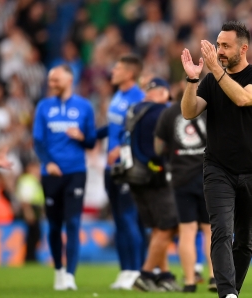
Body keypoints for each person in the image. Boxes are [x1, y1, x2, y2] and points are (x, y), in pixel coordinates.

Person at [180, 21, 252, 298]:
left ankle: (233, 291)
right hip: (218, 168)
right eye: (217, 45)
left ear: (243, 48)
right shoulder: (210, 80)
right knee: (220, 230)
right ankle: (227, 294)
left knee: (244, 242)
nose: (218, 51)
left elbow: (244, 98)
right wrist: (193, 80)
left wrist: (215, 70)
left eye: (225, 46)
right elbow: (189, 111)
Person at [32, 65, 96, 290]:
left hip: (76, 172)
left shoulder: (84, 106)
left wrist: (82, 137)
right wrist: (47, 162)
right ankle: (58, 269)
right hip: (50, 174)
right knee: (53, 225)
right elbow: (38, 142)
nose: (52, 83)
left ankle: (70, 275)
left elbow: (91, 141)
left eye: (56, 79)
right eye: (50, 80)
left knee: (73, 222)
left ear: (69, 79)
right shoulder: (43, 106)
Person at [115, 77, 180, 292]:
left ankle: (164, 275)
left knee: (157, 228)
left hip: (133, 176)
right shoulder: (160, 111)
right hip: (154, 177)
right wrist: (163, 168)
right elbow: (159, 148)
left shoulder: (134, 110)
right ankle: (145, 274)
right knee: (168, 226)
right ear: (162, 92)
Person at [154, 80, 215, 293]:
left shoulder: (170, 113)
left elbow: (159, 146)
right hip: (209, 175)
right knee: (211, 231)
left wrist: (172, 152)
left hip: (181, 178)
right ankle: (214, 277)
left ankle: (189, 282)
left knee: (187, 231)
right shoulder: (211, 108)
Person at [101, 54, 147, 290]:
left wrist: (120, 147)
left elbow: (140, 131)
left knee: (130, 218)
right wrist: (90, 138)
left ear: (130, 73)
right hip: (110, 166)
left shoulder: (138, 98)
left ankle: (136, 271)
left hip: (128, 168)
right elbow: (112, 127)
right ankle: (125, 270)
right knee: (119, 220)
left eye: (117, 68)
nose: (113, 71)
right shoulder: (117, 96)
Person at [16, 159, 44, 262]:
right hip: (30, 208)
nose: (38, 170)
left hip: (35, 208)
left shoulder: (34, 180)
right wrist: (28, 212)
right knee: (33, 234)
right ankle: (30, 257)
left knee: (35, 234)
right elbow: (25, 198)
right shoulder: (27, 180)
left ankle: (32, 256)